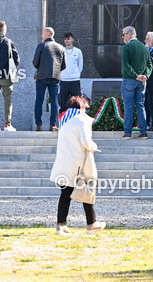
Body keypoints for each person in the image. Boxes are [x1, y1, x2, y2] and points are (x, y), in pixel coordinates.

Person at [50, 95, 105, 235]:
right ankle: (91, 224)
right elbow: (86, 141)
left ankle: (61, 225)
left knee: (65, 194)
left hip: (64, 162)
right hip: (79, 164)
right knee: (87, 191)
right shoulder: (83, 120)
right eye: (85, 107)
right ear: (82, 107)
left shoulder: (65, 120)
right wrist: (93, 146)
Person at [120, 26, 152, 138]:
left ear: (129, 34)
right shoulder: (144, 48)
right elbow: (149, 65)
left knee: (128, 107)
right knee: (140, 106)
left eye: (123, 34)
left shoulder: (127, 47)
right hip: (142, 82)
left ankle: (128, 133)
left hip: (129, 80)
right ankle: (143, 131)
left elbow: (126, 65)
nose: (122, 37)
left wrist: (135, 76)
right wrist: (145, 76)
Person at [33, 27, 66, 131]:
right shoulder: (61, 47)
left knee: (39, 100)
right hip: (55, 77)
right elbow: (64, 65)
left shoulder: (42, 46)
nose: (41, 36)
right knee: (54, 101)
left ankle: (39, 124)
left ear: (47, 34)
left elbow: (35, 62)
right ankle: (53, 124)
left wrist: (41, 67)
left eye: (42, 34)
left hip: (42, 76)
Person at [60, 32, 84, 110]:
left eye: (68, 39)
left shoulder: (78, 51)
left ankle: (76, 119)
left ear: (72, 40)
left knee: (76, 102)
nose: (67, 40)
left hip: (74, 80)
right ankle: (63, 119)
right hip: (63, 80)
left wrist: (76, 74)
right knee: (63, 102)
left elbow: (80, 65)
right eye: (65, 39)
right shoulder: (61, 51)